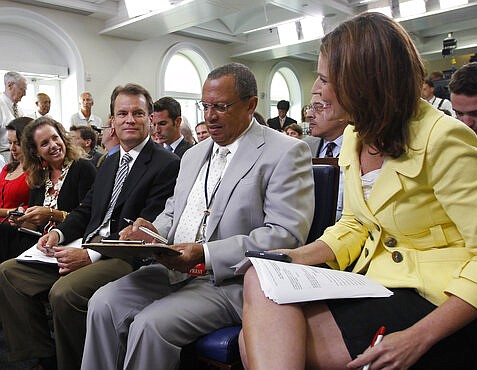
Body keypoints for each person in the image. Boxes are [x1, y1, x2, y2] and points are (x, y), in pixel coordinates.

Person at [239, 12, 477, 370]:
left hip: (442, 301)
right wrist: (293, 258)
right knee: (259, 277)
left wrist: (419, 336)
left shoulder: (446, 138)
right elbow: (355, 224)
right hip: (377, 283)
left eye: (323, 79)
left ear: (360, 83)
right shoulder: (355, 134)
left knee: (258, 342)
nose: (316, 90)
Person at [80, 62, 315, 370]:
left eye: (221, 106)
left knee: (150, 325)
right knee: (102, 303)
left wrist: (204, 253)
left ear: (251, 105)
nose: (210, 116)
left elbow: (285, 235)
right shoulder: (192, 155)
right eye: (205, 106)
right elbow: (173, 212)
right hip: (173, 268)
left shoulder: (286, 152)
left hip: (228, 281)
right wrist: (149, 232)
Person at [0, 84, 180, 370]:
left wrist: (91, 255)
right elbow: (86, 210)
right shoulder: (109, 162)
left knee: (64, 293)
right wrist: (56, 234)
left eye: (138, 113)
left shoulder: (167, 164)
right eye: (122, 113)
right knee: (9, 272)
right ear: (112, 120)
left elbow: (146, 231)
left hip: (126, 258)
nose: (129, 120)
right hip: (85, 243)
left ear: (149, 118)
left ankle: (73, 364)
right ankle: (45, 357)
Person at [0, 116, 96, 264]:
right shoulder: (39, 175)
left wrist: (51, 214)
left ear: (63, 138)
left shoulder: (82, 168)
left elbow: (89, 217)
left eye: (55, 138)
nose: (53, 145)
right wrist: (22, 220)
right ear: (36, 152)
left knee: (6, 267)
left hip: (70, 243)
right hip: (40, 243)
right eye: (44, 143)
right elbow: (34, 226)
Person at [303, 93, 347, 220]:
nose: (309, 114)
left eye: (318, 108)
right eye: (309, 107)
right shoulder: (304, 147)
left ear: (343, 113)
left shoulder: (363, 149)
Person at [0, 117, 32, 222]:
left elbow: (33, 208)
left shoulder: (38, 171)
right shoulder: (7, 168)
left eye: (18, 144)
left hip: (15, 229)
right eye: (10, 143)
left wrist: (7, 212)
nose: (12, 148)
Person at [0, 72, 27, 162]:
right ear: (10, 85)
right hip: (4, 157)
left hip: (20, 156)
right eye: (22, 89)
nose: (24, 94)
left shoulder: (19, 110)